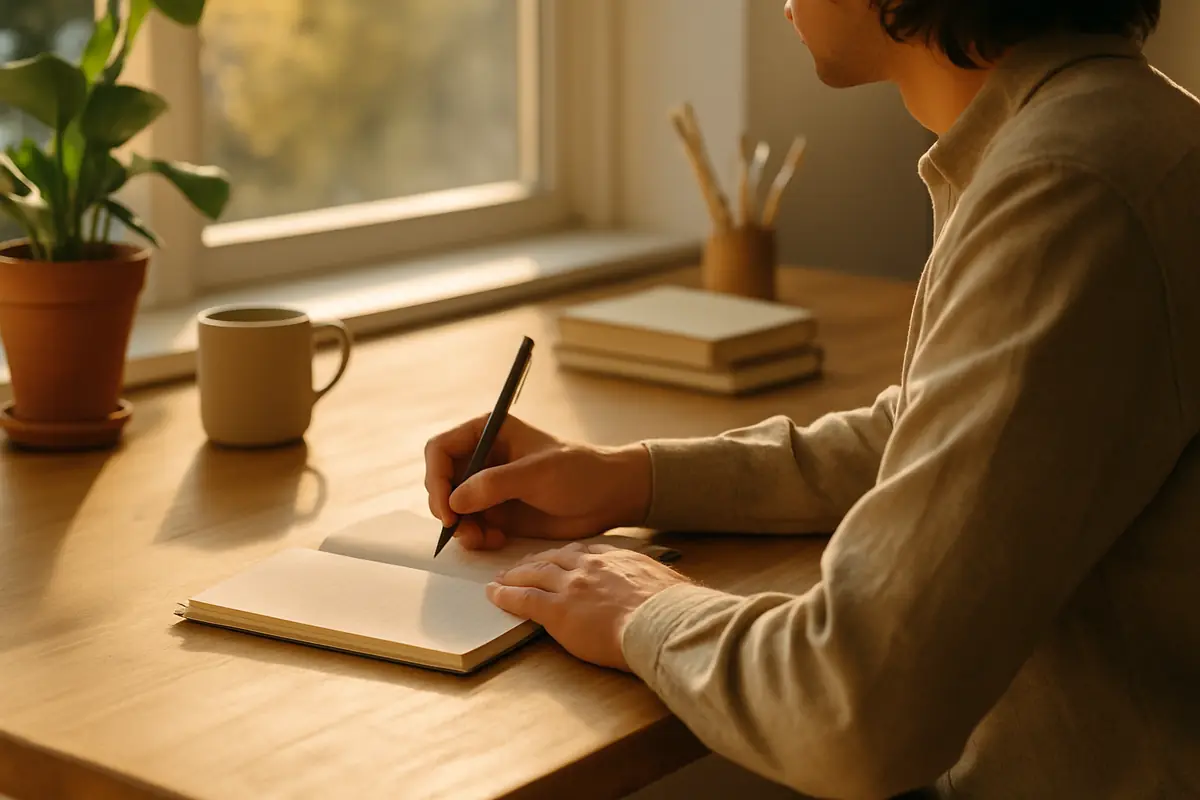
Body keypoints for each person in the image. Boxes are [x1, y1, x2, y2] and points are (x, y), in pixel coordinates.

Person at [424, 0, 1200, 797]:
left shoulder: (1068, 187)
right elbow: (931, 433)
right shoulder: (1116, 134)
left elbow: (854, 707)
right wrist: (629, 478)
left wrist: (643, 610)